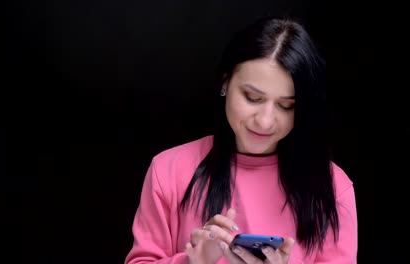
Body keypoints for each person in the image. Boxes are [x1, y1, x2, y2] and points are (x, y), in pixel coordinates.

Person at [125, 16, 358, 264]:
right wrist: (192, 262)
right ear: (226, 82)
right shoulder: (169, 170)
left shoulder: (332, 187)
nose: (265, 121)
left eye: (286, 106)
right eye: (252, 98)